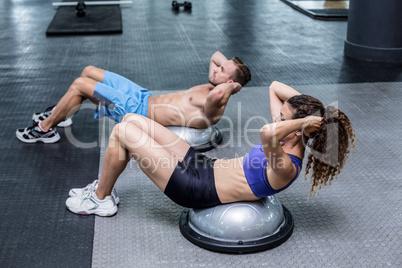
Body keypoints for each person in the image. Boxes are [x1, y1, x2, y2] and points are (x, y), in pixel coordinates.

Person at [65, 81, 356, 216]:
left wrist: (304, 120)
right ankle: (104, 188)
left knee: (122, 131)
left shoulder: (288, 162)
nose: (276, 117)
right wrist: (317, 114)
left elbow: (267, 131)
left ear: (299, 129)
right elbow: (275, 87)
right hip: (202, 166)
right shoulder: (286, 134)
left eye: (283, 118)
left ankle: (100, 198)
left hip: (195, 188)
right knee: (132, 119)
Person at [16, 51, 251, 143]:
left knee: (80, 85)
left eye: (223, 71)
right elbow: (215, 56)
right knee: (89, 71)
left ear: (230, 84)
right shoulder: (215, 84)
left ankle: (44, 130)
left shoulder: (215, 106)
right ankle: (63, 114)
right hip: (142, 97)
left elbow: (221, 91)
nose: (216, 69)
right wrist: (230, 68)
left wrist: (233, 87)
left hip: (134, 112)